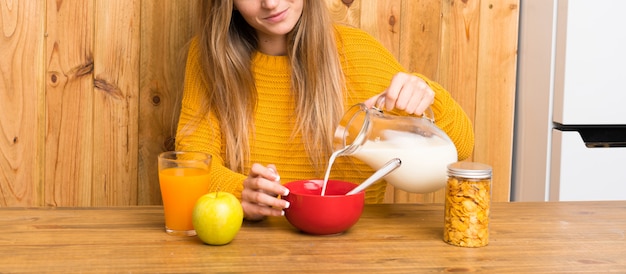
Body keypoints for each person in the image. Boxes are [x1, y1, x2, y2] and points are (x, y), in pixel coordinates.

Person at [175, 0, 475, 221]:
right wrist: (241, 191)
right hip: (254, 251)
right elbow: (193, 160)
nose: (271, 3)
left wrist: (425, 97)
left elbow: (462, 146)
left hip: (357, 253)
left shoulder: (358, 53)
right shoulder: (209, 59)